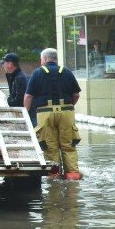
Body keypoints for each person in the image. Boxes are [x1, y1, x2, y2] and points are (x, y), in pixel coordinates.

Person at [24, 47, 82, 180]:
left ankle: (54, 177)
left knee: (50, 146)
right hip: (66, 113)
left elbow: (28, 96)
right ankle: (72, 177)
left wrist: (26, 112)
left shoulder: (38, 73)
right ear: (56, 59)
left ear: (44, 59)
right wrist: (68, 107)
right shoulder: (67, 72)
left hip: (45, 113)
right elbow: (76, 95)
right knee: (68, 145)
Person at [0, 52, 30, 120]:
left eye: (4, 63)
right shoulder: (13, 76)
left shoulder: (20, 78)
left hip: (24, 114)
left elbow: (20, 99)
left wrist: (6, 105)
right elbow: (12, 95)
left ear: (10, 64)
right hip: (19, 113)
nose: (3, 66)